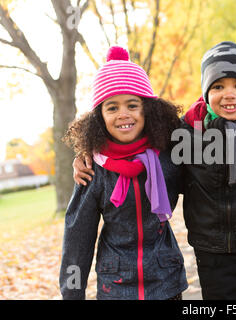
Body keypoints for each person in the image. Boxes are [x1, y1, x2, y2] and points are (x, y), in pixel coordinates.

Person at [74, 41, 236, 300]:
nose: (229, 94)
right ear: (206, 92)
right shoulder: (186, 135)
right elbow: (139, 137)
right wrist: (88, 152)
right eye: (218, 86)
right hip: (212, 257)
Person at [59, 46, 188, 300]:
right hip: (116, 286)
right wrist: (72, 294)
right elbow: (78, 237)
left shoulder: (169, 153)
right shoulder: (93, 168)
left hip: (166, 281)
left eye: (132, 105)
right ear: (99, 117)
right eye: (112, 108)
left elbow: (208, 170)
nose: (123, 115)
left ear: (148, 109)